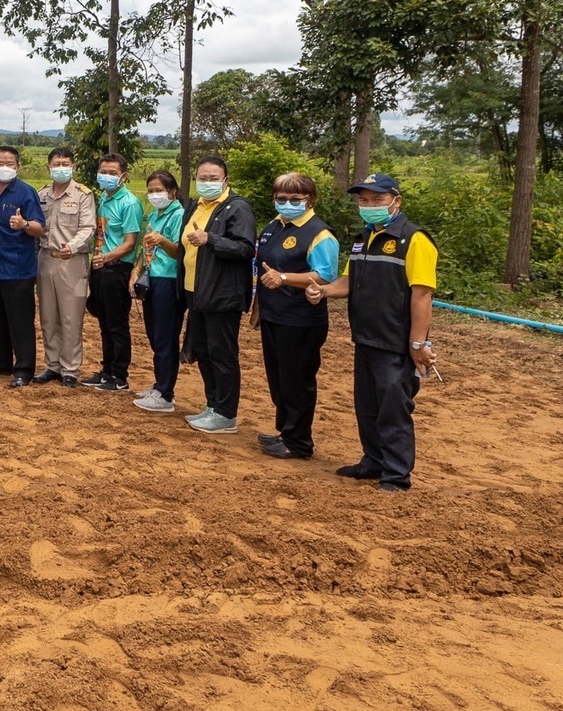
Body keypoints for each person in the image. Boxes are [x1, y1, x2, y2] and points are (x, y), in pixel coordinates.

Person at [306, 174, 438, 491]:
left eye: (377, 199)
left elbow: (422, 294)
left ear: (396, 201)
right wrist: (323, 291)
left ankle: (396, 475)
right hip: (365, 337)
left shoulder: (413, 240)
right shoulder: (363, 237)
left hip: (395, 342)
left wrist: (417, 343)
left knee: (393, 409)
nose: (369, 205)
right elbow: (348, 281)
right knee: (367, 406)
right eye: (364, 200)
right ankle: (373, 462)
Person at [250, 171, 340, 458]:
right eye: (281, 198)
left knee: (297, 380)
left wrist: (285, 278)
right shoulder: (274, 226)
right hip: (274, 314)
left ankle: (299, 442)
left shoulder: (320, 234)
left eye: (294, 198)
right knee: (279, 378)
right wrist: (258, 307)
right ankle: (286, 430)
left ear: (310, 199)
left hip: (301, 318)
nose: (287, 203)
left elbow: (325, 276)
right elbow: (263, 269)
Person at [178, 155, 257, 434]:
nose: (207, 182)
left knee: (222, 352)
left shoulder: (237, 208)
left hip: (222, 293)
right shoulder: (195, 206)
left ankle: (226, 413)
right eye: (203, 178)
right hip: (196, 290)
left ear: (226, 180)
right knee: (203, 349)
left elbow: (245, 248)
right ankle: (213, 405)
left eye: (213, 178)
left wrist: (210, 239)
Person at [0, 146, 46, 387]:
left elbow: (39, 227)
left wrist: (24, 224)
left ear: (18, 166)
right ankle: (1, 362)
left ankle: (24, 368)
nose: (5, 168)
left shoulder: (25, 192)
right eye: (0, 163)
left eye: (10, 163)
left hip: (18, 268)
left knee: (21, 320)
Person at [34, 146, 96, 388]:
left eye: (65, 164)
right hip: (45, 259)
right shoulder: (41, 195)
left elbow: (88, 227)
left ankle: (70, 369)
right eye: (56, 164)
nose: (61, 168)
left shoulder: (83, 195)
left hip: (72, 261)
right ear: (48, 167)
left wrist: (72, 246)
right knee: (48, 316)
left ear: (73, 166)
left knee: (71, 318)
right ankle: (52, 365)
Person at [82, 152, 143, 391]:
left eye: (112, 173)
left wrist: (105, 258)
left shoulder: (129, 203)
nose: (107, 176)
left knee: (117, 324)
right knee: (104, 322)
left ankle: (119, 376)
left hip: (116, 269)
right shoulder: (104, 198)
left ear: (123, 176)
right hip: (100, 267)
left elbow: (130, 243)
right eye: (103, 172)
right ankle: (106, 370)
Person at [134, 171, 186, 414]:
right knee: (155, 334)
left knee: (166, 336)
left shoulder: (179, 215)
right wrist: (137, 270)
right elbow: (146, 248)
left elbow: (179, 252)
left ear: (172, 191)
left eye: (159, 190)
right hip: (152, 278)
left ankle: (166, 393)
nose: (154, 195)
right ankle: (159, 385)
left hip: (169, 280)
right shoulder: (155, 214)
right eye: (151, 190)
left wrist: (162, 241)